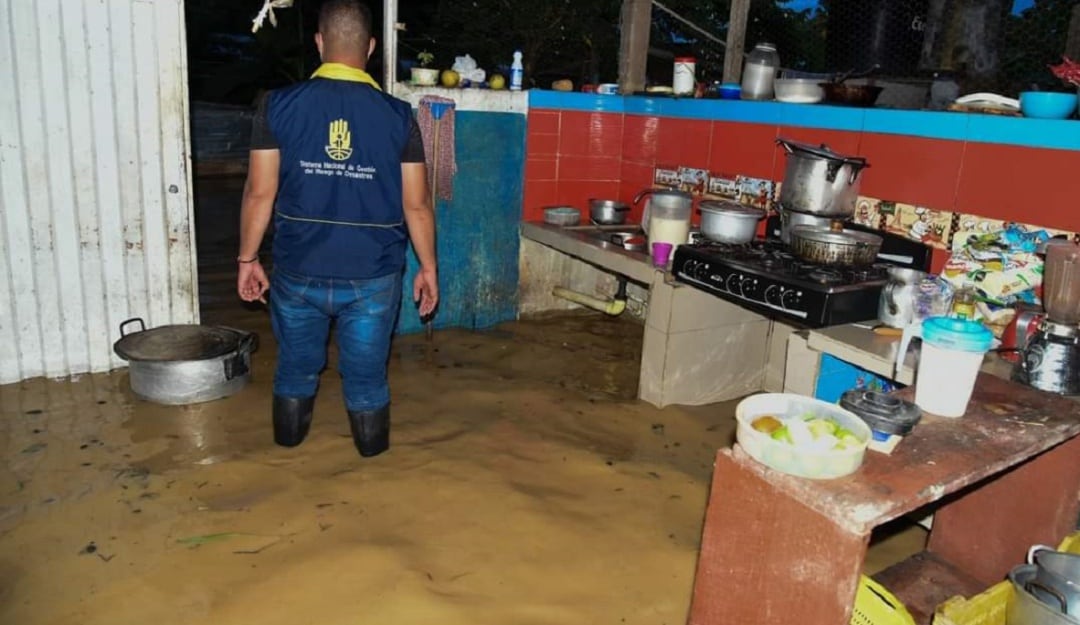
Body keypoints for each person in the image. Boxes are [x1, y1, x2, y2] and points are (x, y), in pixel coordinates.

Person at [236, 0, 437, 458]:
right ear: (369, 48)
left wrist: (247, 259)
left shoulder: (277, 106)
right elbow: (417, 204)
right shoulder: (398, 116)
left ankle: (286, 458)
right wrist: (429, 267)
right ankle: (373, 477)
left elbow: (259, 194)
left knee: (295, 369)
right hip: (373, 274)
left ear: (320, 43)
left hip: (297, 269)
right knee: (366, 378)